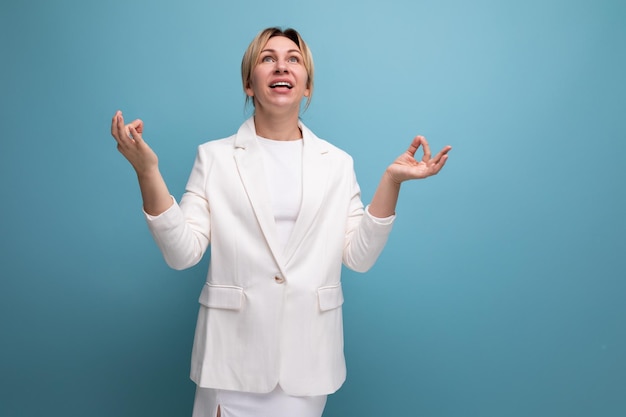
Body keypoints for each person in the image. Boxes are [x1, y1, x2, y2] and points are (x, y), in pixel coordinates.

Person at [110, 27, 451, 417]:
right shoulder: (215, 158)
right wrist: (147, 172)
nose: (281, 66)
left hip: (306, 365)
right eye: (267, 58)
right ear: (248, 84)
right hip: (232, 362)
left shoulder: (337, 163)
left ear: (306, 86)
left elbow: (358, 256)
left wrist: (391, 182)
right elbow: (181, 253)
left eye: (293, 59)